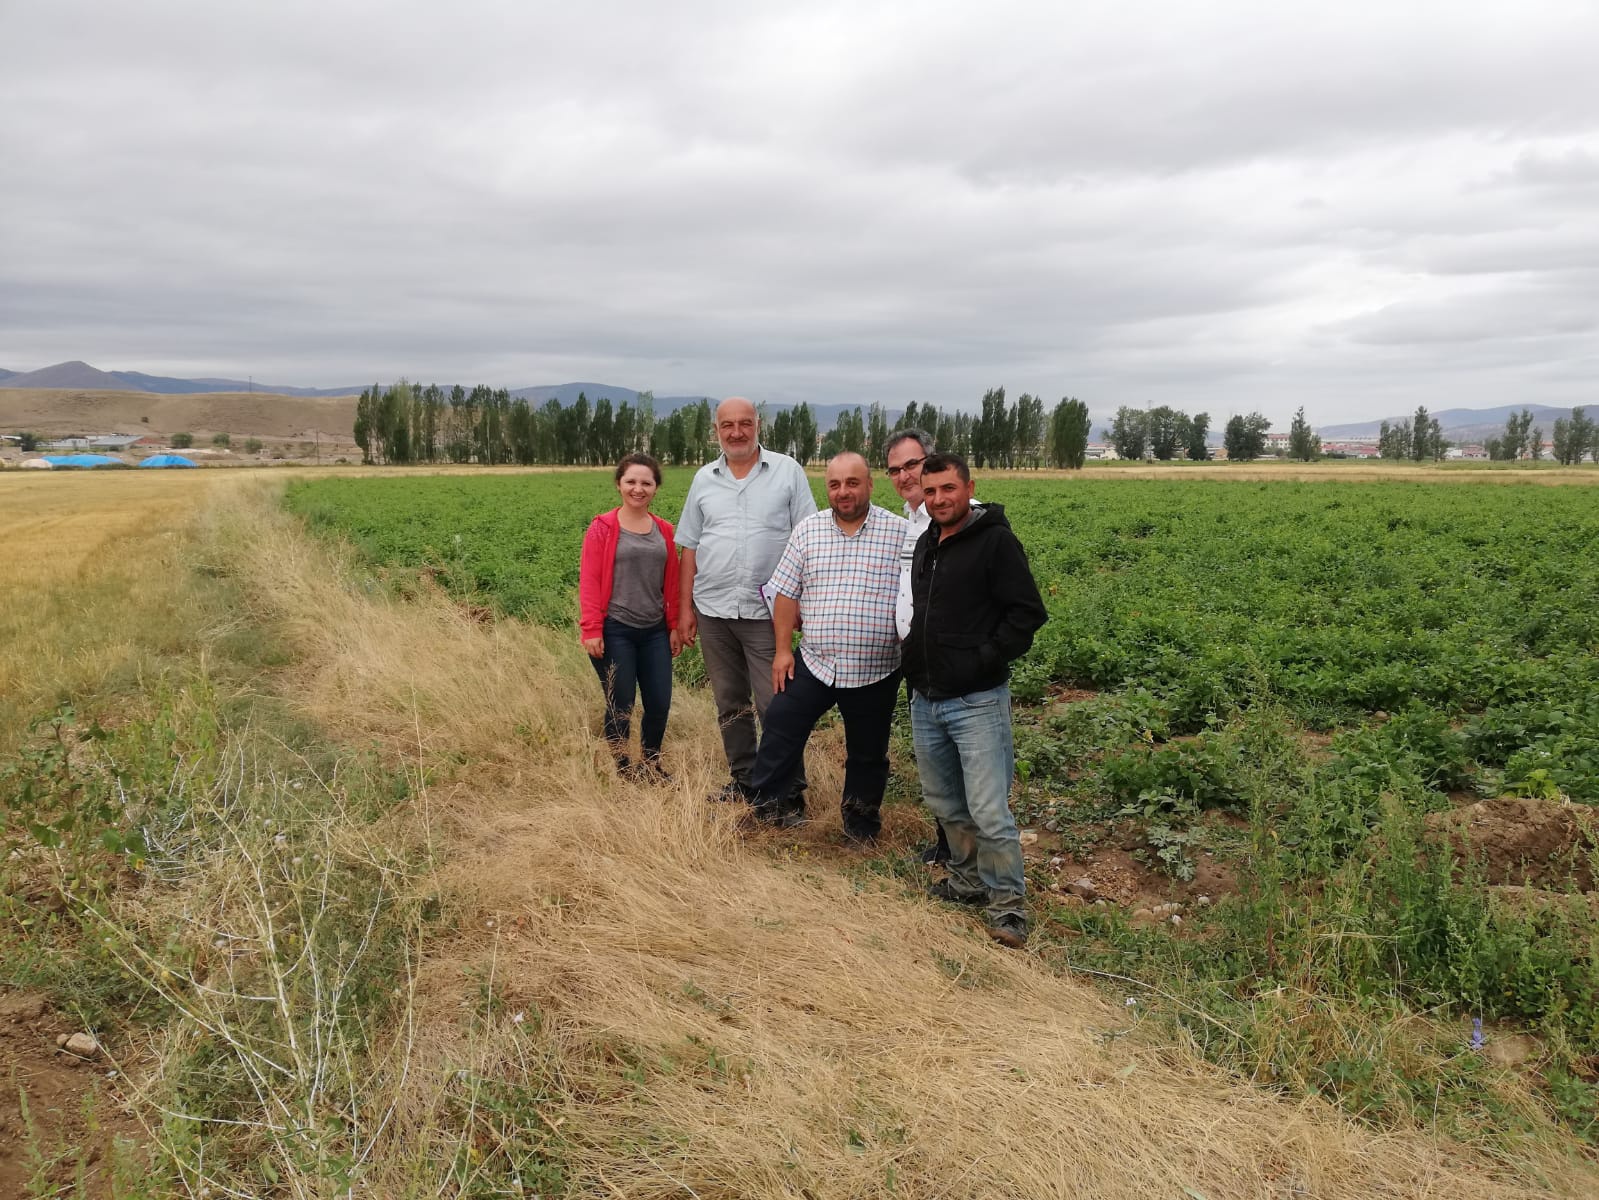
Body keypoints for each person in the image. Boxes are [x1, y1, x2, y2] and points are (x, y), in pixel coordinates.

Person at [903, 453, 1047, 949]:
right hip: (926, 697)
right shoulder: (927, 543)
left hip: (977, 701)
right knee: (945, 801)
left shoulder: (996, 543)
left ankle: (1008, 907)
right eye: (930, 491)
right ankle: (965, 882)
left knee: (988, 809)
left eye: (948, 489)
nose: (939, 499)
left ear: (969, 487)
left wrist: (983, 660)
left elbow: (1027, 614)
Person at [744, 452, 908, 840]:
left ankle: (860, 828)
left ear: (870, 484)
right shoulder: (808, 530)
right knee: (782, 724)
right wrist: (784, 651)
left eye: (852, 483)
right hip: (815, 661)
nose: (843, 492)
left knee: (867, 753)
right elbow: (785, 593)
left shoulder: (900, 533)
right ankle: (766, 808)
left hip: (876, 669)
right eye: (834, 484)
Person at [676, 397, 817, 802]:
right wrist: (685, 610)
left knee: (777, 706)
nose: (736, 432)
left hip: (768, 615)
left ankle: (787, 792)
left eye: (745, 423)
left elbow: (808, 540)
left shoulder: (787, 472)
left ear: (758, 425)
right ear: (716, 431)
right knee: (729, 703)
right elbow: (689, 547)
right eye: (727, 426)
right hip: (713, 612)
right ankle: (745, 781)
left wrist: (804, 606)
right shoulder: (704, 478)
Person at [578, 452, 683, 782]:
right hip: (615, 630)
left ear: (655, 488)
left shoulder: (665, 530)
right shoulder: (603, 528)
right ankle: (622, 768)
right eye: (631, 482)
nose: (638, 488)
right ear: (619, 485)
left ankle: (651, 765)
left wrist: (674, 626)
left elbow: (674, 583)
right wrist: (592, 628)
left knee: (659, 703)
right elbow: (590, 581)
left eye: (646, 483)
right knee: (620, 704)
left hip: (654, 631)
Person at [885, 427, 950, 865]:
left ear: (931, 460)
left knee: (961, 759)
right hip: (919, 662)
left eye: (912, 463)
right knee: (938, 763)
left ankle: (969, 857)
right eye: (895, 469)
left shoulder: (956, 516)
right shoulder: (911, 521)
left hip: (953, 662)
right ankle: (949, 848)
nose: (905, 475)